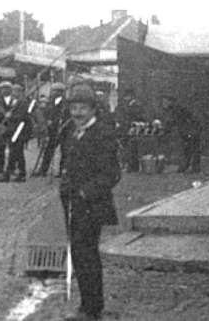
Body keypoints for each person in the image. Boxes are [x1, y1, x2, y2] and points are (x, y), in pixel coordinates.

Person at [60, 84, 120, 321]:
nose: (77, 113)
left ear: (93, 109)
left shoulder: (102, 134)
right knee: (79, 253)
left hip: (91, 206)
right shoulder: (72, 132)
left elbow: (112, 174)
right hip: (73, 204)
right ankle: (87, 305)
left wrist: (86, 192)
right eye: (74, 108)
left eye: (82, 108)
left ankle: (92, 308)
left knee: (87, 255)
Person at [34, 82, 69, 177]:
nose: (53, 93)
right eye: (53, 91)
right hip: (52, 131)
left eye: (56, 91)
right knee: (48, 151)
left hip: (63, 131)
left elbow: (68, 117)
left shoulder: (66, 104)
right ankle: (43, 170)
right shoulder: (50, 103)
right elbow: (45, 113)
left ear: (61, 92)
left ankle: (62, 171)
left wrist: (59, 123)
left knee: (64, 151)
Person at [161, 95, 199, 173]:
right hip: (186, 131)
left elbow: (173, 121)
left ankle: (193, 167)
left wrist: (165, 130)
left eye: (164, 101)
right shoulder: (173, 109)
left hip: (189, 131)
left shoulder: (177, 109)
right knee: (187, 149)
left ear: (170, 101)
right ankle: (188, 166)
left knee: (191, 149)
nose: (163, 103)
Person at [0, 81, 17, 179]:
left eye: (7, 88)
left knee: (13, 149)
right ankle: (0, 169)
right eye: (3, 88)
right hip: (1, 127)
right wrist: (4, 114)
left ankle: (11, 169)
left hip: (12, 127)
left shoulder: (15, 100)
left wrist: (11, 115)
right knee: (1, 149)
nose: (5, 90)